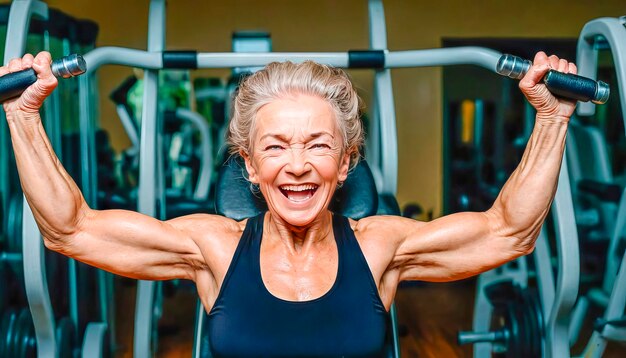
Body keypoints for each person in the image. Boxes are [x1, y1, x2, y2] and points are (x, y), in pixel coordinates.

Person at [2, 51, 576, 357]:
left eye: (318, 145)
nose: (297, 165)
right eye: (274, 147)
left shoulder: (380, 247)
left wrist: (552, 117)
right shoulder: (215, 248)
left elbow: (508, 232)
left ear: (346, 163)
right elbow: (70, 230)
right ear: (249, 167)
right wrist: (22, 115)